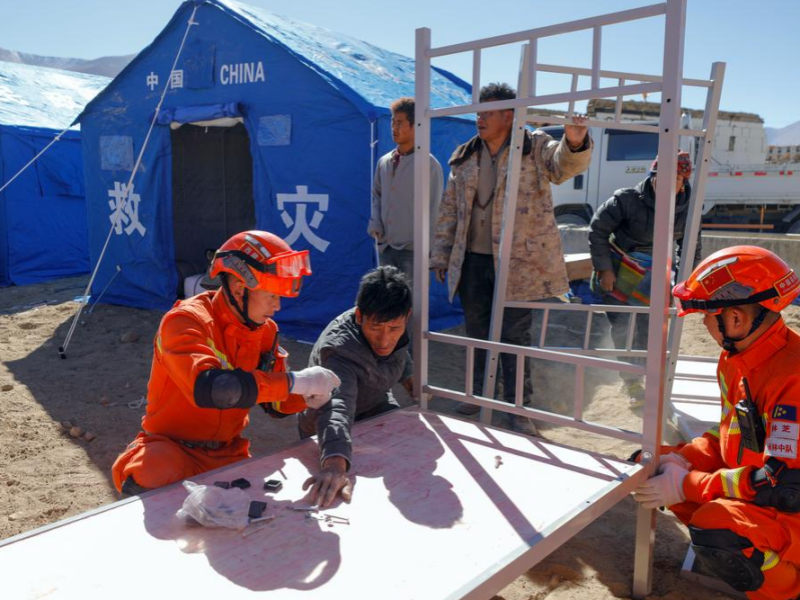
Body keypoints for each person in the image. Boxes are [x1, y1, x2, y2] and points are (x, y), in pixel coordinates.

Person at [111, 230, 341, 495]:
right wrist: (294, 382)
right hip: (171, 447)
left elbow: (277, 405)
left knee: (255, 503)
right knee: (153, 470)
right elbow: (215, 388)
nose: (277, 306)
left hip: (228, 452)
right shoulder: (185, 321)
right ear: (239, 288)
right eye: (271, 296)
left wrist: (309, 392)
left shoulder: (265, 331)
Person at [633, 246, 800, 600]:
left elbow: (783, 484)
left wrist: (690, 484)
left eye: (706, 316)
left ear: (735, 319)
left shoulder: (793, 377)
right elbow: (731, 433)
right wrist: (683, 459)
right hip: (767, 499)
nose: (705, 325)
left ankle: (787, 590)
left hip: (789, 506)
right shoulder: (735, 362)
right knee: (655, 464)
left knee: (716, 526)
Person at [429, 82, 591, 433]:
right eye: (478, 112)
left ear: (509, 116)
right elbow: (449, 210)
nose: (479, 118)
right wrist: (441, 254)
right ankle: (477, 395)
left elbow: (563, 166)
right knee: (477, 333)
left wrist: (575, 141)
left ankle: (519, 408)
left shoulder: (534, 148)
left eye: (487, 113)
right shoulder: (465, 155)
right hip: (473, 261)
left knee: (514, 337)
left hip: (519, 263)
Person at [588, 150, 701, 407]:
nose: (662, 183)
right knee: (623, 329)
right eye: (658, 176)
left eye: (672, 179)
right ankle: (632, 383)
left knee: (651, 330)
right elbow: (597, 230)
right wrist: (605, 269)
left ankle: (650, 379)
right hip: (618, 273)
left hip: (656, 275)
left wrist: (684, 286)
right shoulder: (626, 200)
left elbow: (691, 248)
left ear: (683, 182)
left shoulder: (689, 210)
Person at [298, 266, 413, 507]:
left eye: (394, 329)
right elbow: (337, 407)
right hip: (325, 422)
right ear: (359, 316)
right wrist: (334, 467)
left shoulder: (396, 325)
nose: (385, 340)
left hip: (377, 405)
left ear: (407, 317)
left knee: (410, 456)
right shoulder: (339, 349)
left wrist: (416, 392)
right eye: (375, 328)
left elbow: (401, 357)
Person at [368, 97, 444, 279]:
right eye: (393, 122)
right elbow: (376, 196)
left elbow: (435, 207)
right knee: (386, 299)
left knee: (411, 302)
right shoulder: (384, 161)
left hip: (414, 250)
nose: (394, 127)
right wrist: (375, 223)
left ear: (416, 125)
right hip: (386, 245)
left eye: (400, 123)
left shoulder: (428, 164)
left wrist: (432, 249)